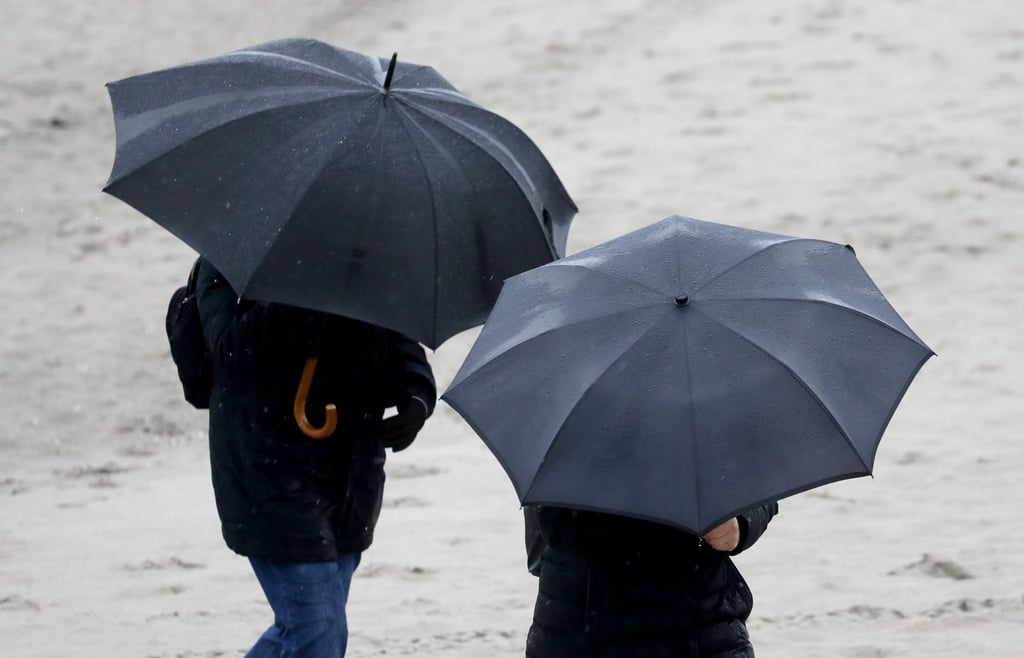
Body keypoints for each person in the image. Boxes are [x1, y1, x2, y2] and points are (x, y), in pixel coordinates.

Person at [194, 258, 436, 657]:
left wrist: (417, 394)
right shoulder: (231, 259)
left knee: (315, 630)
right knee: (316, 629)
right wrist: (303, 296)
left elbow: (396, 332)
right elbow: (231, 352)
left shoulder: (364, 256)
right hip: (268, 472)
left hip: (351, 475)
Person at [524, 502, 778, 658]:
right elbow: (546, 524)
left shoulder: (711, 426)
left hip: (699, 622)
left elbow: (760, 473)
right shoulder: (569, 437)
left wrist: (742, 523)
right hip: (580, 620)